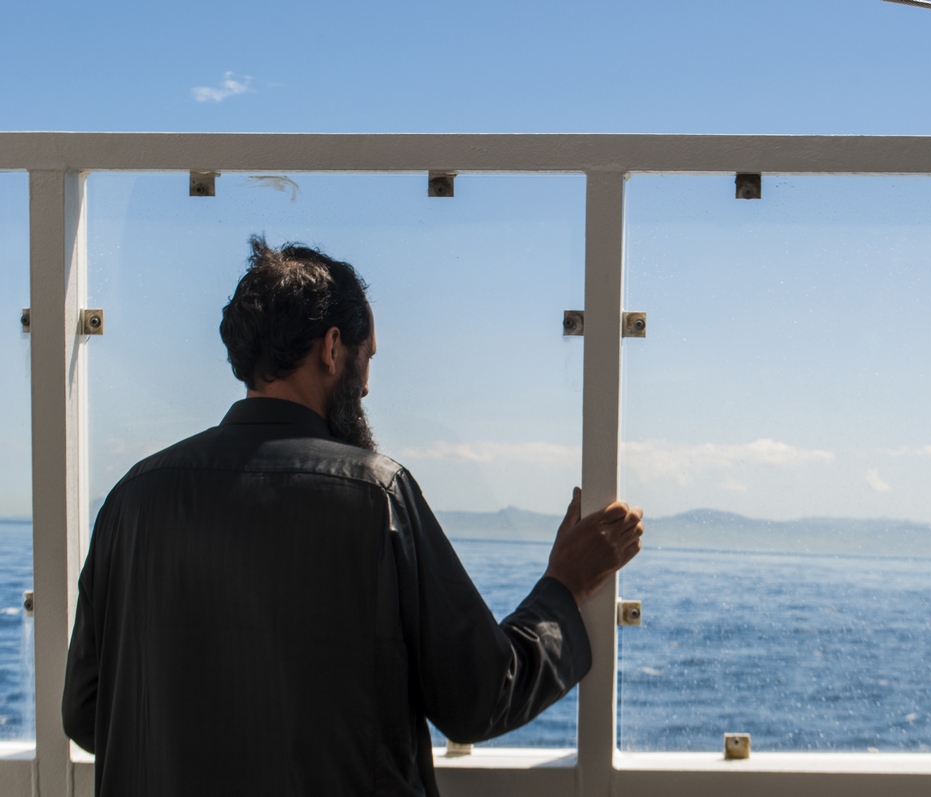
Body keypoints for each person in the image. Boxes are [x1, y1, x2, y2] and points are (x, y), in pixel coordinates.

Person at [61, 236, 643, 797]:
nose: (365, 386)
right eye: (368, 358)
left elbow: (87, 713)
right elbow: (478, 697)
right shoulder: (376, 496)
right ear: (332, 348)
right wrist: (565, 586)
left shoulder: (130, 500)